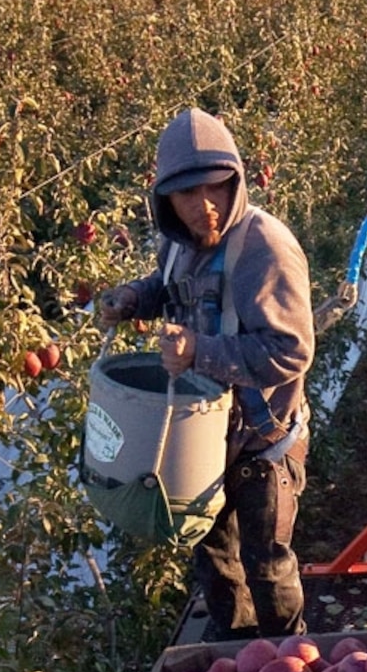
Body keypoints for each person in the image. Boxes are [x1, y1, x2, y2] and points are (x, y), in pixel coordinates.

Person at [96, 107, 315, 638]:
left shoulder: (263, 247)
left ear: (234, 180)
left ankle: (292, 660)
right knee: (213, 559)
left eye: (215, 188)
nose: (204, 206)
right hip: (205, 439)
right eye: (186, 195)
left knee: (268, 565)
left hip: (263, 444)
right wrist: (135, 297)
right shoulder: (179, 241)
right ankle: (236, 661)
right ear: (166, 199)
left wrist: (199, 351)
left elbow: (291, 351)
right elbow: (171, 284)